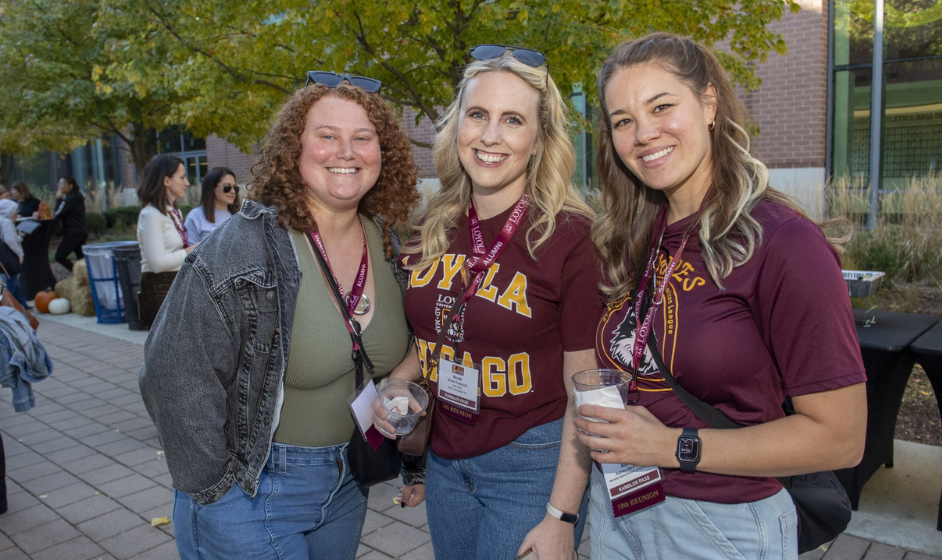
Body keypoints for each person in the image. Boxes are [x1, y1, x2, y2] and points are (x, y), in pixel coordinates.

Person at [578, 32, 868, 559]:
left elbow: (841, 438)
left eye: (661, 106)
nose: (644, 133)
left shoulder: (783, 242)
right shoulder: (632, 235)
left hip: (720, 524)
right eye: (623, 120)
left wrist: (670, 445)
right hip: (618, 504)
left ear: (708, 103)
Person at [139, 72, 420, 559]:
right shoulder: (243, 248)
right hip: (254, 491)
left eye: (363, 138)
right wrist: (218, 494)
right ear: (294, 148)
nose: (346, 151)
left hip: (348, 484)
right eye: (327, 136)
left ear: (383, 153)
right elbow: (171, 374)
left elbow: (421, 338)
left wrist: (397, 381)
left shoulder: (389, 242)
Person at [381, 45, 603, 560]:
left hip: (533, 462)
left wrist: (561, 516)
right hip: (446, 460)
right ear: (457, 125)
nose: (490, 136)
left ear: (540, 139)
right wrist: (399, 380)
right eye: (477, 115)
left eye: (513, 120)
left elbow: (583, 390)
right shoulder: (431, 226)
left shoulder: (572, 237)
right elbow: (436, 332)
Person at [136, 155, 194, 329]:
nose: (187, 183)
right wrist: (190, 251)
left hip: (175, 284)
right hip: (159, 290)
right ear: (167, 181)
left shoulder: (173, 212)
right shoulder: (151, 215)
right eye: (182, 177)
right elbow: (156, 263)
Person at [184, 167, 240, 243]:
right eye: (227, 187)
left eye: (235, 188)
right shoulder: (195, 216)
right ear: (212, 188)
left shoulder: (239, 215)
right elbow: (190, 251)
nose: (233, 191)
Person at [52, 176, 87, 272]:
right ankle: (87, 276)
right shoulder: (76, 196)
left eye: (62, 184)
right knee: (82, 258)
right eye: (58, 184)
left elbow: (57, 214)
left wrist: (58, 199)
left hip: (73, 232)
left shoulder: (70, 199)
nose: (59, 187)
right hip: (79, 230)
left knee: (60, 256)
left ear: (70, 186)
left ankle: (78, 274)